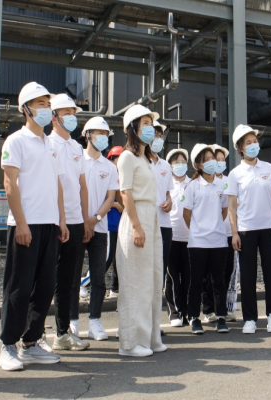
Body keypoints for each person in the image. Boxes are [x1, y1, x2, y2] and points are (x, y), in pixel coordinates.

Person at [0, 82, 69, 370]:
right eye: (40, 104)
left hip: (49, 224)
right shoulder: (15, 141)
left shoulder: (50, 145)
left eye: (47, 104)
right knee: (19, 287)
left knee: (45, 287)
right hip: (25, 224)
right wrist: (21, 223)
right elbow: (9, 183)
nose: (46, 109)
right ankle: (7, 345)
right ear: (26, 109)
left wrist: (61, 220)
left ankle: (31, 343)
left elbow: (57, 185)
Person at [116, 105, 166, 357]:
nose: (150, 129)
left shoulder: (146, 159)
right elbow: (125, 192)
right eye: (145, 123)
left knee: (154, 279)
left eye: (151, 124)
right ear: (133, 129)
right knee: (135, 281)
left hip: (151, 216)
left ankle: (150, 337)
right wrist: (136, 226)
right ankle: (130, 343)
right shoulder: (126, 157)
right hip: (136, 216)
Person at [226, 125, 271, 334]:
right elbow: (232, 206)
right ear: (240, 148)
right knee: (248, 276)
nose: (253, 145)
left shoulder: (269, 168)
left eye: (255, 141)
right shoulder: (235, 174)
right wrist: (234, 233)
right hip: (246, 230)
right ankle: (249, 318)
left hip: (268, 228)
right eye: (248, 143)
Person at [68, 117, 119, 341]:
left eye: (106, 134)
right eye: (99, 133)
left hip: (99, 227)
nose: (103, 138)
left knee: (98, 276)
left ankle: (95, 321)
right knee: (72, 275)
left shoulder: (109, 167)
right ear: (87, 135)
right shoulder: (76, 159)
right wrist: (83, 221)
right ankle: (72, 321)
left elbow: (110, 198)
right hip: (76, 225)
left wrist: (95, 219)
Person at [46, 94, 90, 353]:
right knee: (44, 279)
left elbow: (82, 186)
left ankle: (62, 333)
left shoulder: (76, 147)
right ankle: (33, 336)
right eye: (67, 113)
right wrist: (61, 219)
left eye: (74, 113)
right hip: (52, 221)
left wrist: (84, 220)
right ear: (54, 117)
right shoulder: (47, 144)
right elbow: (55, 186)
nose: (73, 117)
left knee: (68, 280)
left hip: (75, 221)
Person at [182, 144, 230, 335]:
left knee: (218, 281)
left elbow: (224, 210)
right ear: (199, 165)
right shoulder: (192, 186)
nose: (211, 162)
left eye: (213, 158)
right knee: (196, 281)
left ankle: (221, 317)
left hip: (219, 241)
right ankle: (194, 317)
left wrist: (214, 225)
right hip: (198, 242)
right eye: (206, 159)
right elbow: (186, 214)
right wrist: (198, 229)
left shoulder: (222, 185)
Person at [202, 144, 239, 323]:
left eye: (223, 160)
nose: (220, 163)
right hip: (211, 234)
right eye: (216, 159)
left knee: (227, 272)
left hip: (229, 232)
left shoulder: (228, 180)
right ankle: (209, 309)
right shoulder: (203, 182)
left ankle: (223, 308)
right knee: (210, 274)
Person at [165, 148, 191, 327]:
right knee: (172, 276)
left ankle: (187, 311)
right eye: (176, 162)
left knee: (188, 276)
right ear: (170, 166)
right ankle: (174, 312)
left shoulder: (192, 183)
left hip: (190, 237)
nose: (180, 165)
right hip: (171, 236)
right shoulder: (166, 184)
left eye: (183, 162)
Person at [149, 121, 174, 296]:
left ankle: (156, 305)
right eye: (154, 135)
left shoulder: (165, 165)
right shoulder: (140, 161)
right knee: (147, 267)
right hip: (148, 221)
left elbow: (168, 193)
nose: (158, 139)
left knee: (161, 267)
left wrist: (169, 201)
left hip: (165, 223)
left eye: (160, 136)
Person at [105, 146, 124, 297]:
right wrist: (117, 205)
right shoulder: (106, 174)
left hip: (121, 224)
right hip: (109, 223)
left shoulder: (123, 175)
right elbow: (104, 198)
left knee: (119, 258)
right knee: (108, 256)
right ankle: (84, 282)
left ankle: (115, 288)